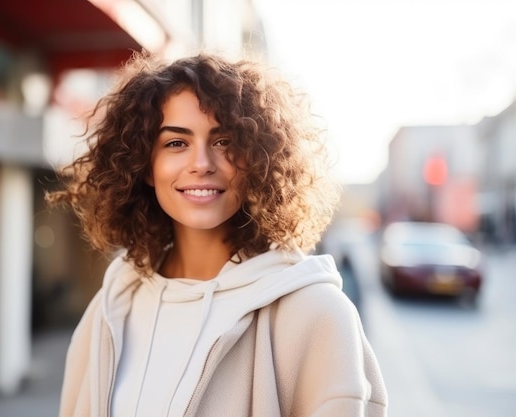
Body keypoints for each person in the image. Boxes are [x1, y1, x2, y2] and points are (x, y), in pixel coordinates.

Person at [49, 51, 388, 417]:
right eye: (176, 143)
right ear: (145, 166)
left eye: (224, 142)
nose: (201, 164)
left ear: (257, 160)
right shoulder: (112, 307)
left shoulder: (315, 315)